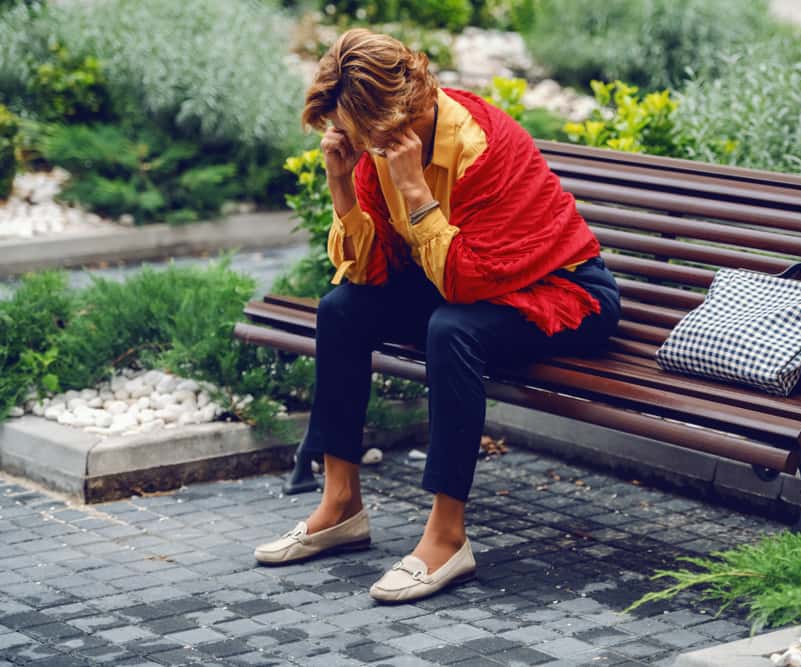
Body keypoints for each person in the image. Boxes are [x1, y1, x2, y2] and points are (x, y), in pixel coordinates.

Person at [254, 28, 621, 603]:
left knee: (451, 329)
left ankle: (448, 537)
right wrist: (342, 185)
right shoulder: (377, 146)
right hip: (464, 283)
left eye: (357, 130)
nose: (350, 139)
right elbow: (370, 273)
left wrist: (413, 187)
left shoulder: (481, 145)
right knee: (342, 309)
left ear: (398, 113)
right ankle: (341, 504)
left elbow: (468, 280)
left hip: (564, 292)